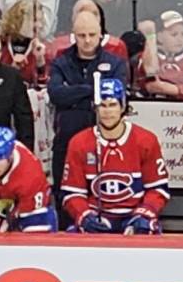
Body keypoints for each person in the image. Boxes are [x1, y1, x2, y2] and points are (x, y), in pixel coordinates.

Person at [61, 78, 169, 233]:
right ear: (95, 108)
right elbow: (72, 193)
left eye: (112, 105)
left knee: (146, 230)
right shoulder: (79, 143)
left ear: (123, 106)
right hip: (97, 215)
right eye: (102, 106)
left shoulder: (145, 140)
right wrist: (84, 215)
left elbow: (158, 189)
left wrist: (144, 214)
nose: (107, 111)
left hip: (134, 215)